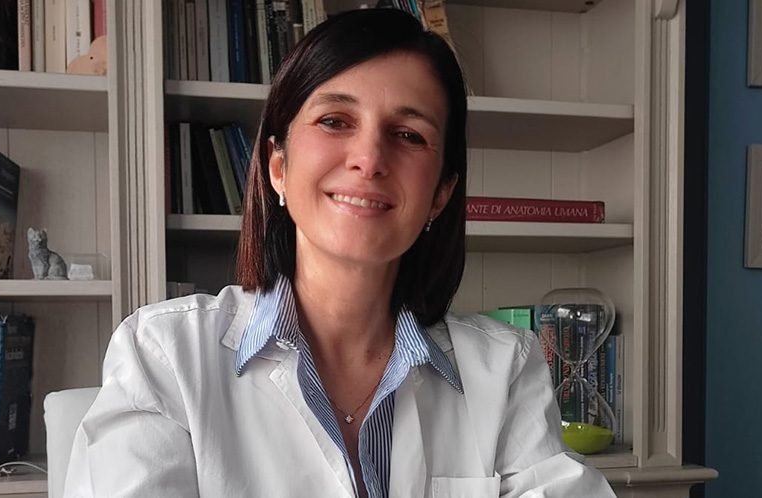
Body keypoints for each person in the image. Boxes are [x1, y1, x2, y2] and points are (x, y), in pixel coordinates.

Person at [64, 8, 616, 497]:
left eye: (408, 135)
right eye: (334, 121)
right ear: (278, 167)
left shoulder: (506, 367)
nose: (369, 158)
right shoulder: (165, 355)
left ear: (441, 193)